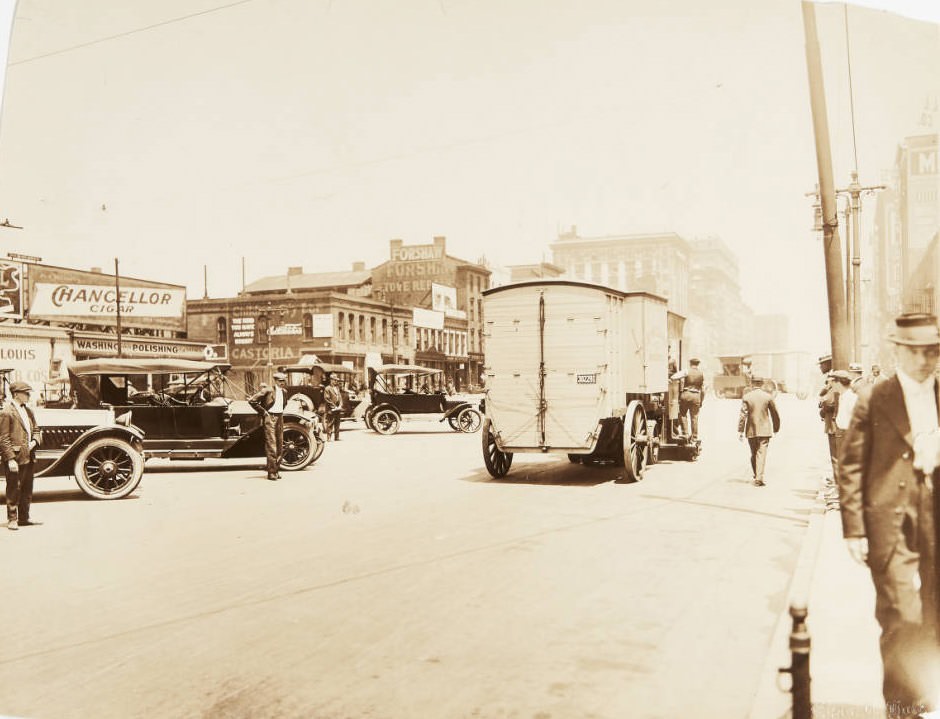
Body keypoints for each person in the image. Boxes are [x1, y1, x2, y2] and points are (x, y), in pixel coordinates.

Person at [839, 313, 940, 717]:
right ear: (897, 351)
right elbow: (851, 466)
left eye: (931, 352)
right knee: (900, 615)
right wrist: (854, 529)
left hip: (935, 511)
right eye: (914, 352)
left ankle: (922, 692)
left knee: (933, 611)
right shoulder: (875, 398)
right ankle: (900, 707)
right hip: (891, 516)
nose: (923, 360)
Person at [0, 381, 43, 530]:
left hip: (29, 455)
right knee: (14, 488)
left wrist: (34, 442)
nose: (29, 395)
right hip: (16, 457)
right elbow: (3, 438)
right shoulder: (7, 412)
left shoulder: (29, 411)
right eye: (26, 393)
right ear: (16, 394)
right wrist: (10, 459)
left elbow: (36, 429)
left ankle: (24, 518)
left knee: (27, 488)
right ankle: (12, 519)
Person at [737, 375, 780, 487]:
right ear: (762, 384)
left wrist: (740, 430)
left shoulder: (747, 397)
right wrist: (776, 427)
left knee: (754, 453)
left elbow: (743, 415)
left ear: (752, 384)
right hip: (765, 430)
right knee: (761, 454)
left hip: (751, 430)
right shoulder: (768, 397)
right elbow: (775, 413)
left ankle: (757, 475)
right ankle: (759, 478)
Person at [248, 372, 287, 480]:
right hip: (270, 418)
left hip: (280, 418)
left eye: (283, 381)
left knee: (279, 445)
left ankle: (276, 470)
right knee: (271, 445)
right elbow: (252, 401)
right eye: (280, 381)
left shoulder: (284, 392)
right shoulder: (268, 390)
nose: (282, 383)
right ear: (275, 381)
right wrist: (264, 412)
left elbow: (284, 404)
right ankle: (271, 472)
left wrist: (279, 415)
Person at [676, 358, 705, 441]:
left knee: (682, 414)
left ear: (690, 363)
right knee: (694, 417)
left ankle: (685, 434)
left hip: (686, 395)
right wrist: (701, 400)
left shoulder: (686, 371)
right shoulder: (701, 373)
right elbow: (703, 390)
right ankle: (694, 437)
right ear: (698, 364)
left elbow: (674, 376)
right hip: (696, 396)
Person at [323, 375, 343, 441]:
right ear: (331, 380)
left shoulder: (337, 388)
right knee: (330, 423)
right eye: (334, 380)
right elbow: (327, 399)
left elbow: (340, 397)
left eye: (336, 380)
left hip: (337, 409)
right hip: (331, 409)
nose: (336, 381)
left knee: (337, 423)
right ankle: (329, 437)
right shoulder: (327, 388)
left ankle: (336, 437)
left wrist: (340, 405)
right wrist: (334, 406)